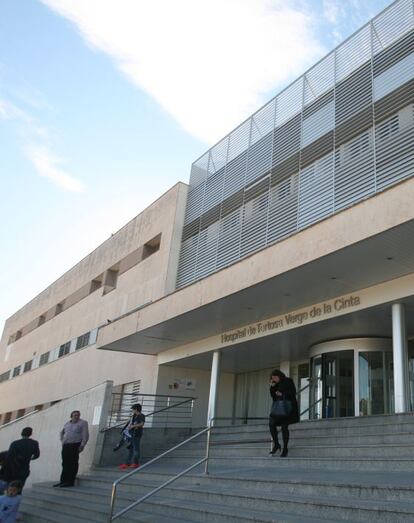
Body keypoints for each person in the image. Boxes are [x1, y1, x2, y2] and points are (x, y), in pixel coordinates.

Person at [54, 410, 89, 488]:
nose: (76, 416)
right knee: (65, 463)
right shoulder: (67, 423)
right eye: (75, 415)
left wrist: (82, 445)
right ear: (71, 416)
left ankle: (70, 481)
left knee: (73, 463)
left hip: (75, 445)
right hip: (66, 445)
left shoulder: (83, 423)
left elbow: (85, 434)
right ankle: (63, 481)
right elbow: (62, 432)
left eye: (78, 415)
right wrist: (62, 440)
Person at [269, 369, 299, 457]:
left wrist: (282, 394)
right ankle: (277, 444)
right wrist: (272, 387)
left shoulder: (288, 381)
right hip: (277, 408)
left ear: (279, 376)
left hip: (287, 408)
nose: (274, 379)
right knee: (271, 424)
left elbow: (293, 392)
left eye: (275, 377)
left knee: (284, 427)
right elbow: (273, 397)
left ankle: (285, 448)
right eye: (272, 378)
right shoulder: (275, 384)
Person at [119, 404, 145, 470]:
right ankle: (127, 463)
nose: (132, 410)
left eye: (133, 409)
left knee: (136, 449)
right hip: (131, 434)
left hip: (137, 434)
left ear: (136, 409)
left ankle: (135, 463)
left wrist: (133, 426)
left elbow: (142, 424)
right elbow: (129, 422)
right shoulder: (133, 416)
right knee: (130, 448)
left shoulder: (141, 415)